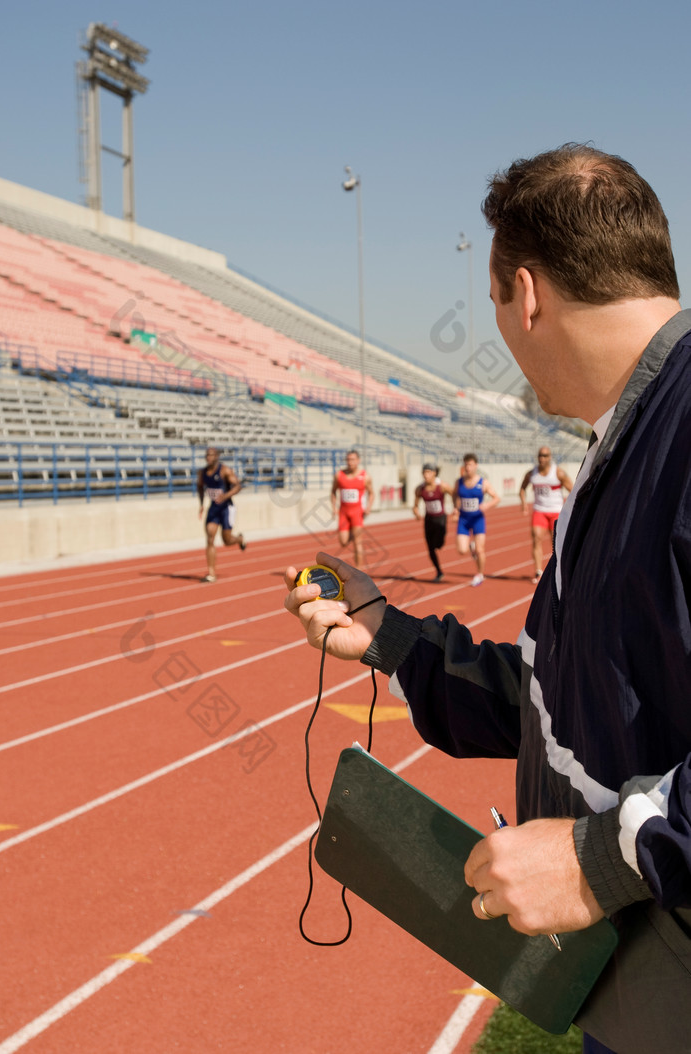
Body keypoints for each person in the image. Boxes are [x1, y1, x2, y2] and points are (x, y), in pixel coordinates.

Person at [284, 144, 691, 1053]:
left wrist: (601, 857)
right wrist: (393, 637)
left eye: (496, 303)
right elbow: (578, 695)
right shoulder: (625, 439)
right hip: (638, 992)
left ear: (527, 293)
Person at [519, 447, 573, 582]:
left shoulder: (558, 473)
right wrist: (524, 503)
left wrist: (570, 508)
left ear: (550, 457)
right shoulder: (532, 474)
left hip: (556, 512)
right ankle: (538, 572)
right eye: (540, 456)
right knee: (536, 538)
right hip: (539, 510)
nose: (542, 458)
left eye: (545, 456)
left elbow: (572, 490)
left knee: (556, 543)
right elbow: (522, 488)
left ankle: (559, 570)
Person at [197, 446, 246, 582]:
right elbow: (200, 486)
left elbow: (238, 486)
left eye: (211, 455)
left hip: (226, 508)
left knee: (227, 540)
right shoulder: (202, 473)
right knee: (210, 538)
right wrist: (201, 504)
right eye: (207, 455)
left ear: (217, 457)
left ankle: (240, 539)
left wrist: (225, 496)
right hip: (213, 508)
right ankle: (211, 574)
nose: (208, 457)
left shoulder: (225, 470)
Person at [453, 453, 500, 586]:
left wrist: (487, 505)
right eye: (466, 464)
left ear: (476, 466)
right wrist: (456, 508)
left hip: (478, 519)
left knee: (480, 550)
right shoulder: (459, 482)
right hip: (464, 520)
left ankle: (480, 574)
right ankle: (470, 546)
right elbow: (455, 495)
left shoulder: (483, 482)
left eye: (470, 465)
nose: (468, 467)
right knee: (462, 550)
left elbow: (497, 498)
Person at [331, 450, 374, 569]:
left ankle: (359, 570)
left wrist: (368, 507)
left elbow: (371, 493)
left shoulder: (365, 476)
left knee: (357, 542)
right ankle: (351, 532)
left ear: (358, 460)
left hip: (357, 513)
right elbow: (333, 491)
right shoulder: (339, 475)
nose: (350, 462)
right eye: (348, 460)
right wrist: (334, 508)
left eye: (353, 459)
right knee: (343, 542)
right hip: (344, 513)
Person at [413, 462, 453, 581]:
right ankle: (439, 571)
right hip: (429, 520)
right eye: (424, 472)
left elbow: (455, 495)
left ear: (434, 473)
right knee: (430, 548)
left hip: (440, 519)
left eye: (428, 472)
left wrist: (456, 508)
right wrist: (416, 512)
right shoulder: (420, 489)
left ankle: (439, 544)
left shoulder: (442, 486)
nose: (426, 475)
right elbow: (415, 505)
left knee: (438, 544)